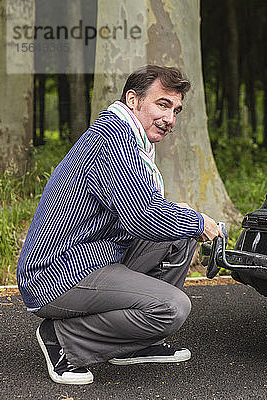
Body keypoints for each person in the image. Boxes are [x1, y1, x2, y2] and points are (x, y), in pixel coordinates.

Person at [16, 65, 222, 385]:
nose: (170, 119)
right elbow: (143, 215)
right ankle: (64, 338)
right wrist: (199, 222)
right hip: (56, 273)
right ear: (133, 100)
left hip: (93, 255)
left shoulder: (132, 140)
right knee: (172, 307)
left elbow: (145, 216)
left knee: (179, 235)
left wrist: (189, 221)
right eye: (162, 105)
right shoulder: (111, 138)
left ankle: (134, 343)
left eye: (176, 110)